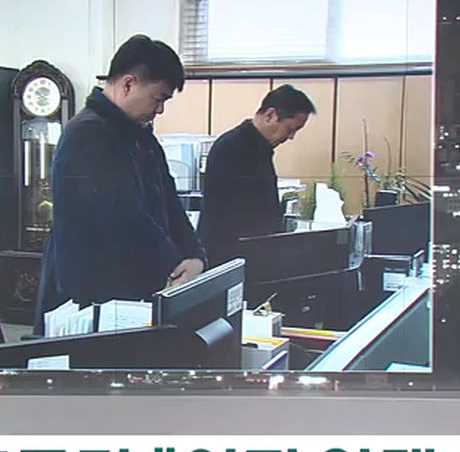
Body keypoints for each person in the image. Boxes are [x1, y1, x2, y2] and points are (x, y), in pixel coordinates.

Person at [38, 34, 206, 320]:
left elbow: (170, 201)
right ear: (128, 84)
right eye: (159, 98)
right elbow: (123, 217)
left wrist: (194, 255)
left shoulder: (141, 134)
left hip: (134, 290)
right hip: (95, 299)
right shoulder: (88, 134)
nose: (160, 109)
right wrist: (175, 264)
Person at [198, 84, 316, 266]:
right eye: (290, 129)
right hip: (230, 257)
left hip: (250, 253)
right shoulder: (233, 147)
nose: (291, 137)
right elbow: (239, 214)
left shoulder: (259, 148)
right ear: (270, 115)